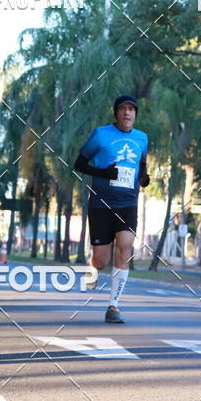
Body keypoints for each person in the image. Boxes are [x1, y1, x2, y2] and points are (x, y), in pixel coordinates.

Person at [74, 94, 149, 324]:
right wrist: (103, 173)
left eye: (131, 109)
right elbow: (79, 163)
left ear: (135, 114)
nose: (127, 113)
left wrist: (144, 177)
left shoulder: (142, 138)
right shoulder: (101, 134)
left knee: (125, 248)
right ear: (116, 113)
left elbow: (142, 164)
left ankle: (113, 306)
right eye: (123, 109)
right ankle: (92, 263)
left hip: (128, 203)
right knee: (101, 261)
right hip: (101, 203)